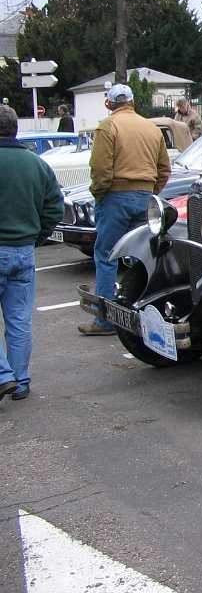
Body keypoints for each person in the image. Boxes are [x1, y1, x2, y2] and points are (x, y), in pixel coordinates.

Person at [79, 84, 170, 336]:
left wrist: (100, 194)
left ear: (109, 104)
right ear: (132, 102)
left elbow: (100, 169)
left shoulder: (108, 127)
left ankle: (105, 319)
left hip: (115, 197)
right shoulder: (151, 128)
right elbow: (164, 169)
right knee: (141, 255)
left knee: (107, 255)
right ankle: (143, 310)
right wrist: (151, 191)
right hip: (145, 196)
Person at [0, 105, 63, 402]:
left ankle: (3, 376)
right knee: (19, 319)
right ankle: (20, 380)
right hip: (24, 250)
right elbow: (55, 206)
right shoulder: (36, 163)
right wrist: (39, 236)